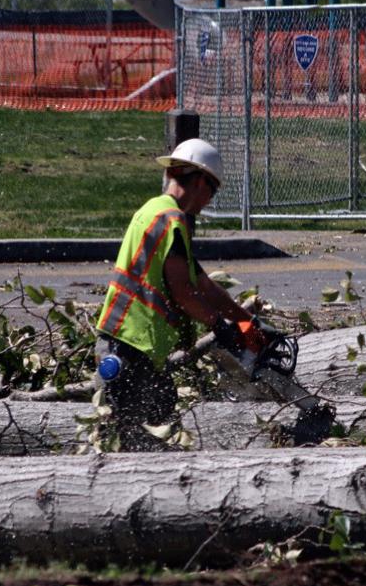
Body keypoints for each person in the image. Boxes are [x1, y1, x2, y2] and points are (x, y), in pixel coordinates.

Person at [95, 137, 268, 451]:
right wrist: (219, 327)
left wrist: (244, 321)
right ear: (201, 181)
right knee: (133, 441)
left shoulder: (157, 211)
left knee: (161, 410)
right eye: (212, 192)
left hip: (137, 344)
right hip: (129, 343)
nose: (208, 202)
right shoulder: (171, 220)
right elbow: (184, 292)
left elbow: (202, 284)